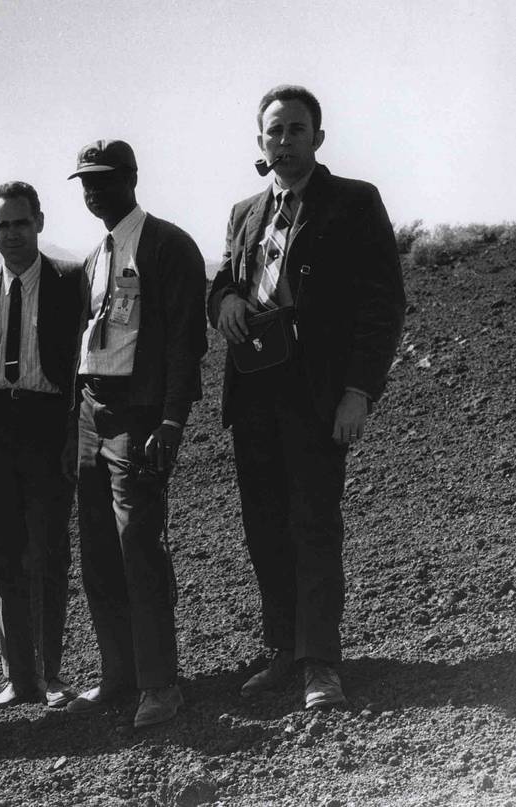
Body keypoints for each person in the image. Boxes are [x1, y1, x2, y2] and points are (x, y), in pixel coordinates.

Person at [207, 85, 405, 709]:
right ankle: (282, 649)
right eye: (275, 131)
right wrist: (227, 302)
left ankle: (320, 661)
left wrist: (358, 393)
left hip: (317, 394)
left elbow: (383, 304)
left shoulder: (352, 202)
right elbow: (223, 280)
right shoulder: (245, 212)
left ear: (318, 138)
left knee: (313, 523)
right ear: (260, 140)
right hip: (255, 391)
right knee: (264, 525)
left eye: (297, 130)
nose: (285, 141)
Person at [64, 140, 208, 728]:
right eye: (85, 183)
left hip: (139, 414)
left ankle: (159, 684)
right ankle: (118, 673)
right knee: (98, 548)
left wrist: (172, 419)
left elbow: (184, 341)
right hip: (91, 411)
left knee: (138, 547)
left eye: (104, 180)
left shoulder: (168, 245)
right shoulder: (94, 256)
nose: (93, 192)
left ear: (132, 178)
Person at [0, 181, 85, 718]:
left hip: (48, 428)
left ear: (39, 222)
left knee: (49, 554)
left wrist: (77, 434)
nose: (12, 233)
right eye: (2, 224)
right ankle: (19, 679)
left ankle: (52, 674)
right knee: (3, 558)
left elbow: (87, 358)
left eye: (21, 222)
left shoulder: (72, 281)